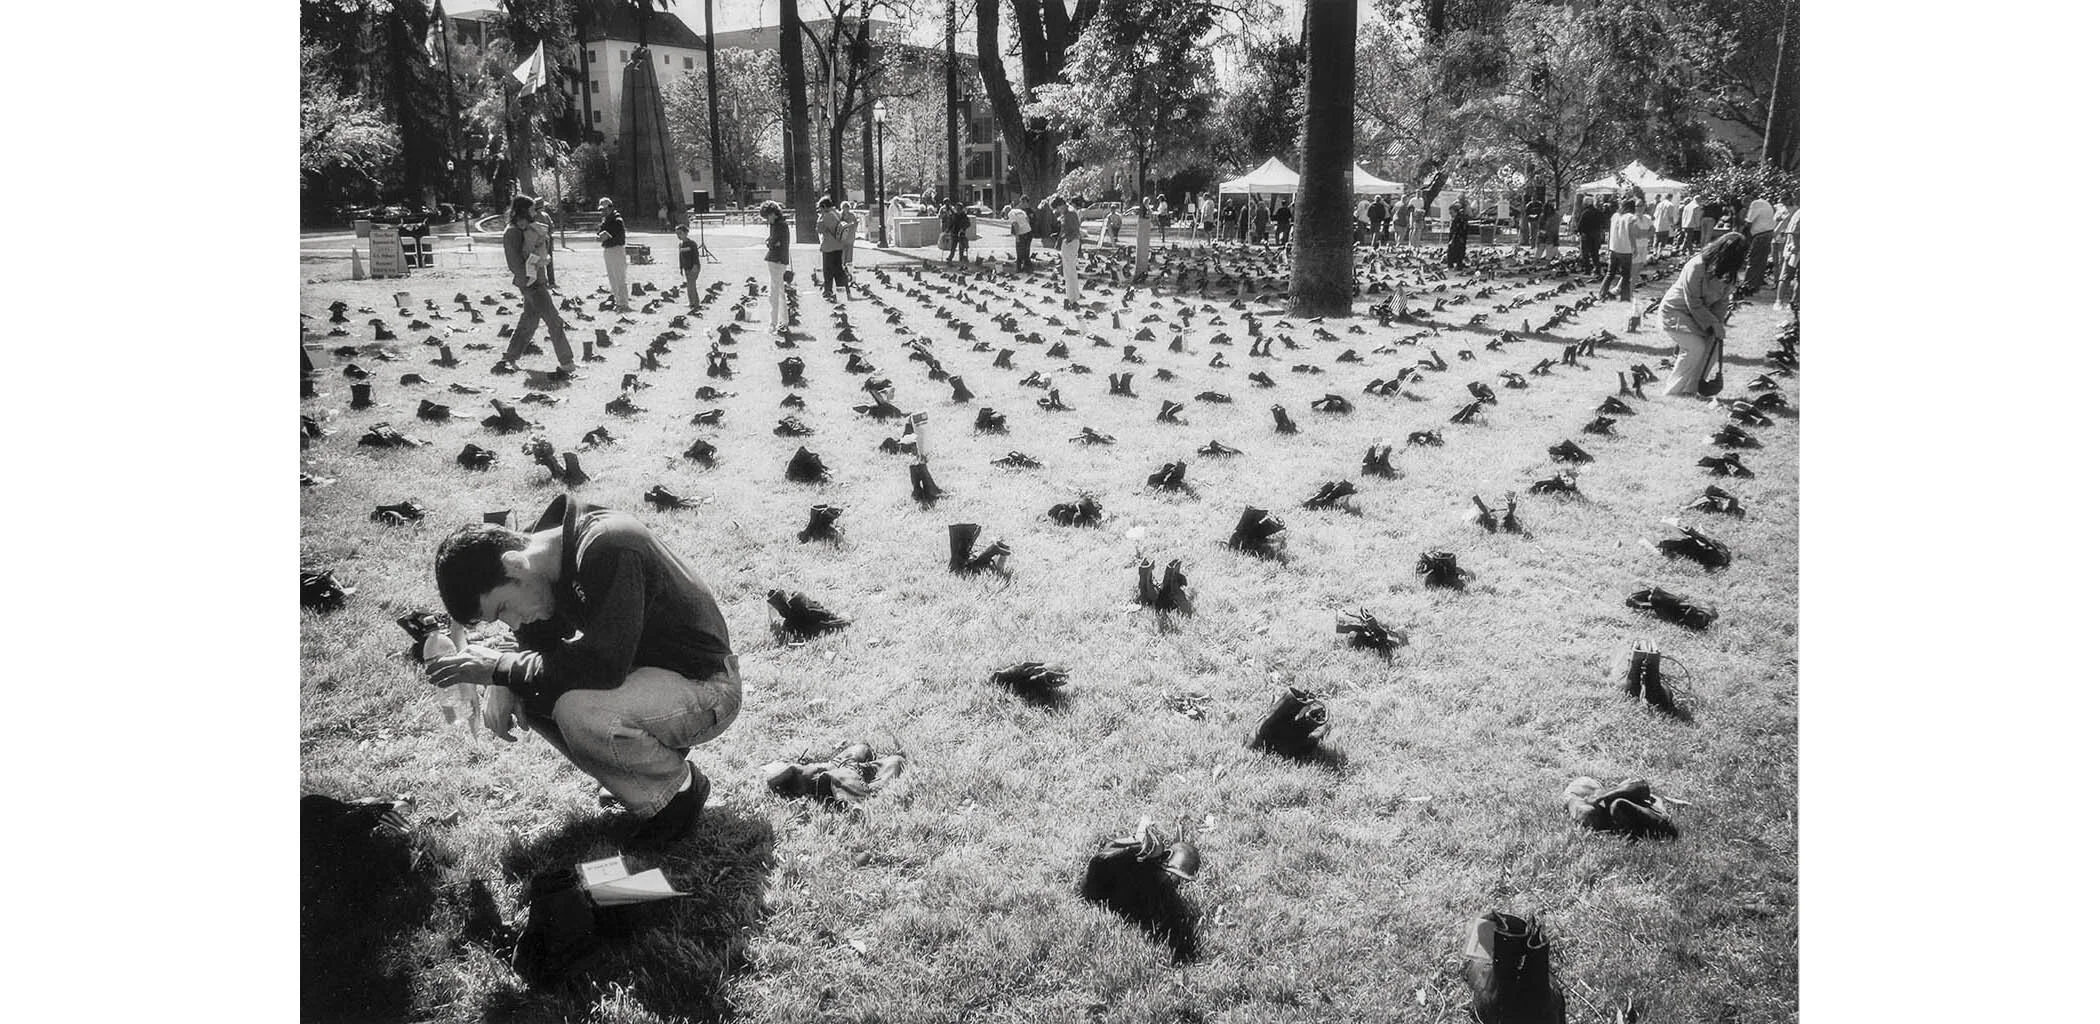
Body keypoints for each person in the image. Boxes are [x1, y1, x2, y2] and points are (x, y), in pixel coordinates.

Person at [427, 495, 743, 848]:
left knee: (577, 710)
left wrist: (501, 669)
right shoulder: (542, 557)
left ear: (514, 564)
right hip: (645, 676)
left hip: (707, 685)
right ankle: (634, 779)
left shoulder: (608, 546)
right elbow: (537, 647)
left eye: (503, 608)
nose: (512, 622)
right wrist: (504, 679)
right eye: (499, 619)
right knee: (531, 688)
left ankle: (677, 795)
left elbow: (603, 666)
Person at [1658, 232, 1748, 396]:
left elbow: (1722, 302)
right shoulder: (1697, 265)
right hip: (1676, 311)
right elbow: (1693, 300)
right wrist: (1712, 323)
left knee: (1712, 350)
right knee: (1695, 348)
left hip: (1702, 315)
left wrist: (1717, 326)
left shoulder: (1729, 273)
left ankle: (1692, 390)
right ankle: (1673, 391)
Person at [497, 195, 575, 377]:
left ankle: (509, 358)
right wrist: (537, 265)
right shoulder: (512, 232)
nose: (535, 212)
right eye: (532, 209)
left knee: (529, 322)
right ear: (523, 210)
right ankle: (567, 362)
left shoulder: (525, 228)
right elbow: (515, 264)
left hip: (537, 281)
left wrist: (541, 260)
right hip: (531, 284)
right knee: (554, 321)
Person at [759, 200, 790, 332]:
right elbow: (773, 242)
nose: (767, 220)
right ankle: (783, 321)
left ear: (773, 214)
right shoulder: (781, 224)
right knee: (780, 292)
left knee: (774, 293)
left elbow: (772, 243)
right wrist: (771, 242)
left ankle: (774, 323)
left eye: (767, 217)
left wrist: (770, 242)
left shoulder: (778, 226)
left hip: (776, 260)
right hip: (780, 260)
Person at [1600, 197, 1638, 301]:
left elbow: (1610, 232)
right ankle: (1624, 297)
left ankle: (1602, 293)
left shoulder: (1615, 216)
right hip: (1625, 248)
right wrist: (1634, 247)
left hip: (1614, 247)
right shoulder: (1631, 217)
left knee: (1610, 273)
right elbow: (1631, 233)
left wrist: (1608, 247)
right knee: (1626, 275)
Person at [596, 198, 630, 313]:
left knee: (619, 277)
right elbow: (599, 233)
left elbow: (615, 236)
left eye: (605, 209)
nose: (603, 212)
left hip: (616, 250)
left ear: (610, 207)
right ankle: (617, 301)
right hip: (608, 250)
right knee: (612, 278)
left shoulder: (617, 220)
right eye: (602, 210)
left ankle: (623, 303)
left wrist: (605, 235)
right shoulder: (605, 220)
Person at [1740, 192, 1778, 294]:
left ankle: (1747, 284)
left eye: (1746, 206)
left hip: (1760, 235)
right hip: (1768, 233)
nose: (1747, 209)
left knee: (1753, 259)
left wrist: (1741, 235)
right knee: (1761, 260)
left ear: (1748, 201)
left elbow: (1749, 221)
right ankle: (1757, 282)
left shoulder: (1755, 204)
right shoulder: (1765, 203)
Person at [1055, 195, 1083, 307]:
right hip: (1068, 242)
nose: (1058, 211)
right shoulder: (1067, 212)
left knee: (1069, 271)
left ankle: (1072, 298)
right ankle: (1073, 295)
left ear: (1061, 205)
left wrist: (1065, 239)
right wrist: (1059, 240)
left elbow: (1075, 230)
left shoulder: (1070, 213)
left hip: (1070, 243)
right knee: (1069, 270)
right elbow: (1063, 229)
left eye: (1058, 208)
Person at [816, 195, 845, 300]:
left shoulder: (826, 216)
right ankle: (842, 289)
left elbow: (819, 229)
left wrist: (820, 216)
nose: (820, 210)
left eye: (820, 208)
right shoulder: (837, 213)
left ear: (824, 207)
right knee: (838, 269)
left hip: (829, 246)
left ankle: (828, 290)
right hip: (839, 245)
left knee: (828, 270)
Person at [1576, 197, 1608, 274]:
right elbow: (1603, 222)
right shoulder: (1598, 212)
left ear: (1585, 203)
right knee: (1595, 253)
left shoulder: (1585, 212)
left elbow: (1581, 224)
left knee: (1585, 253)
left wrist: (1578, 231)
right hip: (1596, 234)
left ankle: (1587, 270)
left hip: (1586, 234)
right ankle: (1597, 269)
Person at [675, 221, 700, 313]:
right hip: (686, 268)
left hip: (693, 267)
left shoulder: (692, 244)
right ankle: (692, 302)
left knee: (691, 285)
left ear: (686, 233)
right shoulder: (681, 245)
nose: (679, 236)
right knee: (689, 286)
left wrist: (695, 266)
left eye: (680, 233)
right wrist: (681, 268)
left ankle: (695, 303)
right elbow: (681, 257)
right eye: (677, 234)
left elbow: (695, 256)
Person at [1632, 200, 1656, 280]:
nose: (1639, 208)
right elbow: (1636, 234)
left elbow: (1653, 230)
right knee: (1634, 265)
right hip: (1635, 245)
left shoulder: (1647, 218)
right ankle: (1630, 281)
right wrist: (1646, 233)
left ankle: (1634, 279)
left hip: (1644, 245)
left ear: (1644, 207)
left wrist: (1642, 233)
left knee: (1642, 264)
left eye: (1641, 206)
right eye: (1637, 206)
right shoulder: (1633, 218)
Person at [839, 200, 860, 289]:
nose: (845, 209)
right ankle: (842, 270)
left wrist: (853, 225)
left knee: (849, 255)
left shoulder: (852, 216)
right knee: (842, 255)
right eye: (844, 207)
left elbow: (855, 225)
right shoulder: (840, 215)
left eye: (847, 207)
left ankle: (849, 271)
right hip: (842, 239)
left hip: (850, 238)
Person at [1008, 196, 1034, 269]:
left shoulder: (1011, 213)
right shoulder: (1022, 211)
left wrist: (1017, 236)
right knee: (1026, 250)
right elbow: (1028, 220)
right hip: (1028, 232)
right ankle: (1028, 267)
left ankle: (1019, 269)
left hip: (1021, 233)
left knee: (1019, 251)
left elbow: (1015, 225)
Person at [1444, 198, 1471, 268]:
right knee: (1452, 251)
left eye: (1452, 213)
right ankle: (1452, 264)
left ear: (1456, 212)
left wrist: (1454, 238)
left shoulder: (1460, 219)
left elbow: (1461, 229)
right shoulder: (1455, 219)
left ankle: (1458, 264)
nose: (1451, 215)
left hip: (1459, 238)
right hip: (1456, 237)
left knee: (1458, 251)